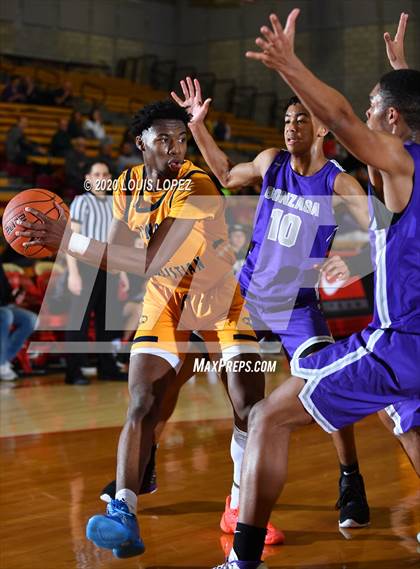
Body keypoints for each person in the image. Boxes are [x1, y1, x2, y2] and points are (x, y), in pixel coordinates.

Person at [208, 9, 419, 568]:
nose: (365, 115)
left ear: (393, 119)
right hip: (260, 298)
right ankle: (350, 484)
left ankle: (243, 559)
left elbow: (345, 118)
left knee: (268, 418)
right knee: (410, 420)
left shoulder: (391, 165)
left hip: (398, 339)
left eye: (377, 106)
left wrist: (290, 64)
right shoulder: (284, 164)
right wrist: (403, 72)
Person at [16, 100, 268, 557]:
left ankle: (237, 503)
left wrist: (68, 240)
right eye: (164, 139)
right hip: (165, 299)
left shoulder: (199, 184)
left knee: (248, 405)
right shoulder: (127, 185)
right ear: (141, 144)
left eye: (181, 139)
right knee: (143, 399)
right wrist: (76, 241)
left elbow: (150, 258)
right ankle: (124, 513)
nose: (175, 148)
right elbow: (123, 252)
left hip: (216, 300)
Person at [171, 78, 370, 531]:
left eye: (302, 119)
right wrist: (198, 125)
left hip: (298, 305)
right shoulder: (270, 163)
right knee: (220, 387)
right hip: (250, 298)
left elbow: (380, 227)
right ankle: (228, 496)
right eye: (286, 119)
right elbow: (223, 175)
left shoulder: (337, 181)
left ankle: (350, 479)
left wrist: (353, 261)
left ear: (322, 130)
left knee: (326, 384)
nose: (291, 126)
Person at [65, 161, 127, 384]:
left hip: (108, 267)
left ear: (109, 178)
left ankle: (107, 367)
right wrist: (73, 273)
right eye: (96, 174)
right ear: (88, 179)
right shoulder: (82, 202)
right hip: (85, 266)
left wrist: (122, 273)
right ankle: (73, 372)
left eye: (105, 173)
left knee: (107, 322)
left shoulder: (114, 204)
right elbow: (71, 240)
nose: (101, 177)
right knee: (79, 321)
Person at [0, 263, 37, 381]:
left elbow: (5, 293)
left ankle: (3, 360)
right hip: (4, 311)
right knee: (6, 315)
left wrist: (15, 296)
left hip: (4, 306)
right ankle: (2, 364)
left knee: (31, 319)